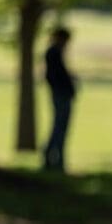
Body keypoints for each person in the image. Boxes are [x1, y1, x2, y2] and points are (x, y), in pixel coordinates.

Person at [43, 27, 76, 171]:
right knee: (60, 127)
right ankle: (55, 159)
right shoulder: (53, 53)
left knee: (60, 126)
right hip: (61, 94)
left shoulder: (55, 53)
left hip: (62, 94)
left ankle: (54, 158)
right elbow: (54, 76)